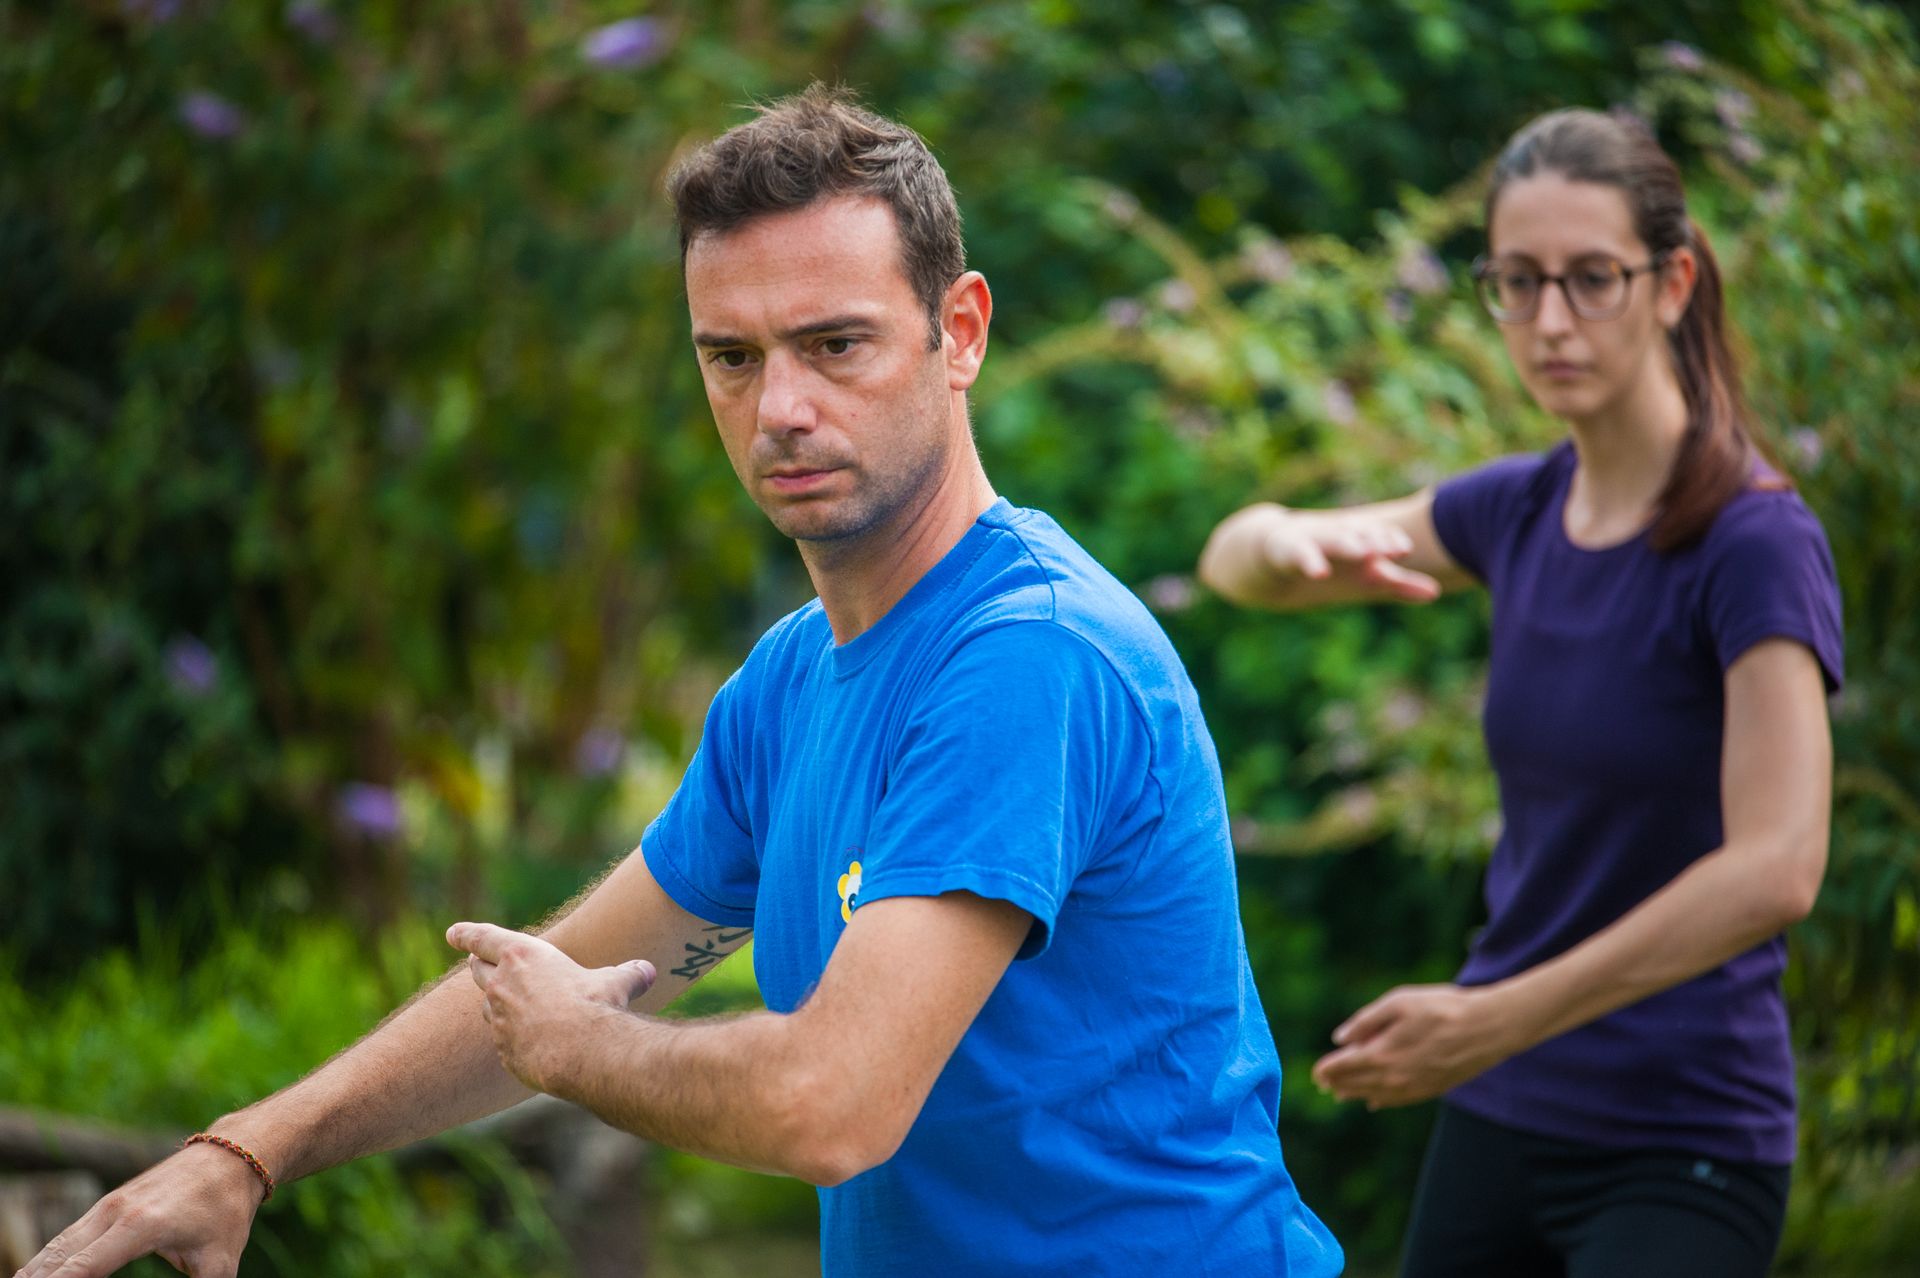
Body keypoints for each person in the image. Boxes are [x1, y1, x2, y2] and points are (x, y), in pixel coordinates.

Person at [19, 86, 1342, 1278]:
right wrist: (247, 1152)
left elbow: (830, 1101)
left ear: (962, 331)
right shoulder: (790, 684)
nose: (781, 408)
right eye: (734, 356)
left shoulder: (1031, 656)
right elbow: (571, 976)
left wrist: (582, 1048)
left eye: (835, 345)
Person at [1199, 107, 1841, 1278]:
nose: (1550, 321)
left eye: (1592, 279)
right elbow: (1230, 560)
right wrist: (1286, 541)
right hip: (1503, 1114)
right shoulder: (1520, 511)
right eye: (1517, 282)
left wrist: (1493, 1018)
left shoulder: (1751, 541)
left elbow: (1780, 865)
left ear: (1673, 282)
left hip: (1682, 1141)